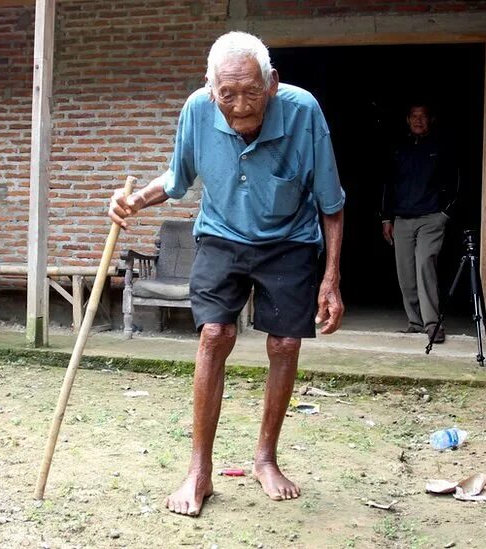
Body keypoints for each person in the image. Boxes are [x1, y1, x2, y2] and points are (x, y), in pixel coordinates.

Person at [108, 31, 345, 516]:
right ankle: (199, 471)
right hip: (220, 233)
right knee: (214, 334)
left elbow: (331, 204)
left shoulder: (304, 112)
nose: (239, 107)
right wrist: (134, 201)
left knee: (284, 343)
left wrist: (331, 279)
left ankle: (265, 459)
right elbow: (176, 180)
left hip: (290, 239)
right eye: (227, 94)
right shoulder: (197, 109)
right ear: (210, 88)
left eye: (251, 92)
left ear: (272, 83)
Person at [381, 103, 458, 343]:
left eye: (423, 116)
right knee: (405, 272)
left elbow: (456, 181)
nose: (418, 120)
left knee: (425, 266)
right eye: (414, 116)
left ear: (430, 119)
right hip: (402, 219)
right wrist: (386, 217)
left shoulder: (441, 146)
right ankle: (415, 322)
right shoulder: (398, 148)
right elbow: (388, 183)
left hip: (431, 218)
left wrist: (445, 213)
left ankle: (433, 325)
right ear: (407, 120)